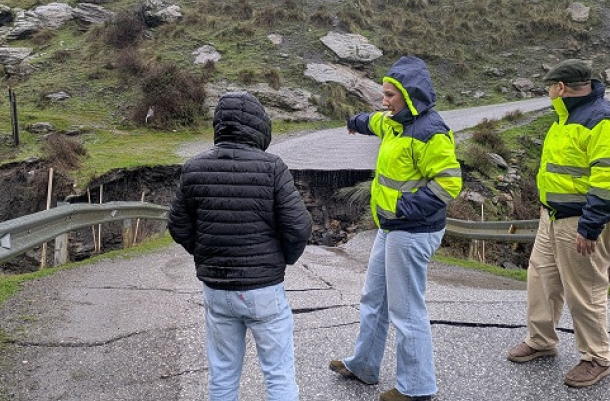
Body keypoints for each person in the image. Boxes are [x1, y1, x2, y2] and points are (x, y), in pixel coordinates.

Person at [329, 55, 463, 401]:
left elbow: (448, 184)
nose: (384, 101)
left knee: (406, 310)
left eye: (390, 95)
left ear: (410, 96)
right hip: (391, 227)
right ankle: (363, 365)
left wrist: (403, 209)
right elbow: (373, 120)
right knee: (374, 298)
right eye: (384, 93)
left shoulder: (430, 132)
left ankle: (417, 387)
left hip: (413, 230)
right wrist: (354, 122)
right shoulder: (394, 122)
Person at [167, 91, 312, 401]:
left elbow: (177, 225)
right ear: (259, 126)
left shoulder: (193, 168)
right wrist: (280, 260)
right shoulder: (272, 167)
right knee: (279, 375)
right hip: (264, 290)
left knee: (222, 375)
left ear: (219, 125)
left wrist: (206, 253)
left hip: (216, 290)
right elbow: (299, 227)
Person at [506, 59, 610, 388]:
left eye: (550, 86)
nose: (549, 92)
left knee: (585, 290)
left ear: (561, 87)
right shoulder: (565, 119)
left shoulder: (604, 121)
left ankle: (597, 358)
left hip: (586, 221)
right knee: (541, 278)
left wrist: (589, 227)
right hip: (553, 217)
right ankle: (541, 340)